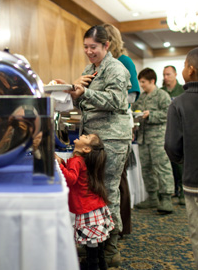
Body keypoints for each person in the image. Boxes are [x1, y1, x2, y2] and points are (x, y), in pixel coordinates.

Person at [58, 25, 132, 267]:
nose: (89, 52)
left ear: (106, 46)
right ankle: (94, 244)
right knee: (92, 191)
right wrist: (74, 94)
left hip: (111, 139)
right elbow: (85, 107)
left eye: (94, 47)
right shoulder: (90, 69)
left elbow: (117, 101)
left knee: (108, 191)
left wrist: (85, 93)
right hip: (92, 137)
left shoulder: (116, 69)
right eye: (86, 47)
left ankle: (111, 249)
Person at [164, 47, 198, 270]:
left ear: (190, 70)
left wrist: (187, 161)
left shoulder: (179, 103)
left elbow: (172, 146)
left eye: (184, 65)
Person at [55, 133, 114, 270]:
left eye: (86, 137)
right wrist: (62, 162)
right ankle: (101, 265)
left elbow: (70, 179)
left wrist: (59, 165)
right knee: (98, 245)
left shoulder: (77, 160)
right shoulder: (80, 160)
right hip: (95, 206)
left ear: (86, 149)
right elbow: (74, 173)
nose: (82, 134)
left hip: (87, 208)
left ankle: (92, 266)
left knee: (91, 246)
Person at [103, 23, 140, 237]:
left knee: (118, 179)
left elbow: (131, 97)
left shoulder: (124, 61)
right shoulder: (99, 64)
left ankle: (123, 227)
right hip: (103, 127)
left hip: (118, 127)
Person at [131, 68, 174, 213]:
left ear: (152, 81)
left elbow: (168, 114)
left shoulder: (162, 95)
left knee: (162, 168)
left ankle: (167, 198)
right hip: (143, 139)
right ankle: (153, 197)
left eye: (143, 82)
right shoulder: (141, 98)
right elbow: (134, 113)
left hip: (158, 138)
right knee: (147, 169)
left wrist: (151, 115)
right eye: (140, 82)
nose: (141, 85)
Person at [161, 65, 185, 205]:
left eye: (168, 74)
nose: (166, 77)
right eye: (164, 75)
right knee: (168, 163)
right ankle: (173, 189)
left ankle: (182, 190)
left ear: (175, 74)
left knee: (179, 163)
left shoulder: (182, 90)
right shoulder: (161, 91)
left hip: (180, 130)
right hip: (164, 130)